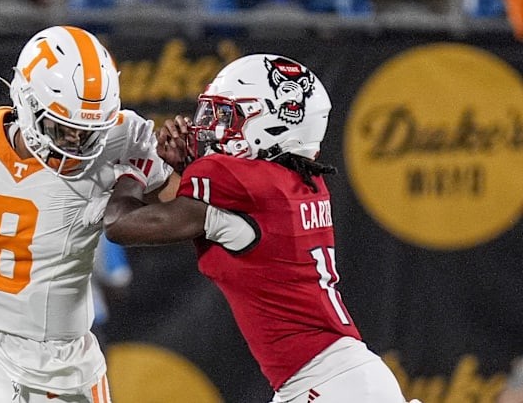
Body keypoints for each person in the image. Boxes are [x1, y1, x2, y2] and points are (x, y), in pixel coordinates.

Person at [103, 54, 421, 403]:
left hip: (327, 386)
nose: (209, 127)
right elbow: (189, 209)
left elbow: (121, 225)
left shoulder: (239, 182)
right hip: (336, 380)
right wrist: (177, 170)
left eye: (227, 116)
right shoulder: (297, 181)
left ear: (275, 123)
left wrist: (130, 166)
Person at [0, 25, 178, 402]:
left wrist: (180, 167)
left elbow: (182, 208)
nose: (79, 145)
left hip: (64, 379)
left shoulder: (120, 141)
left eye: (89, 132)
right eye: (65, 129)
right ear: (25, 102)